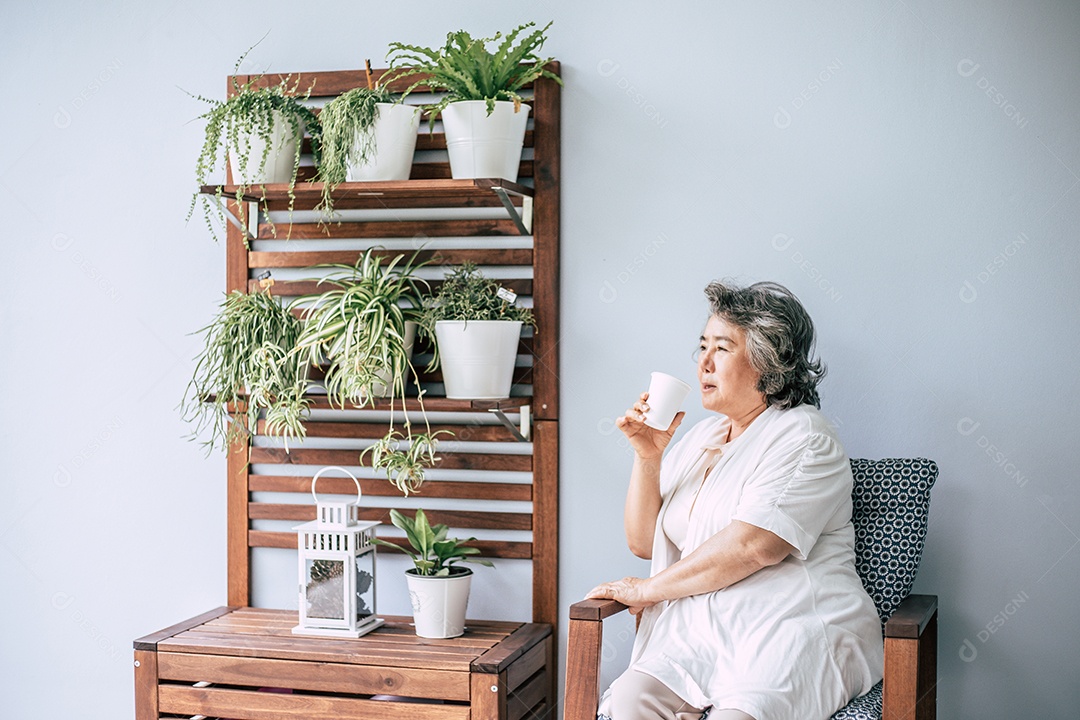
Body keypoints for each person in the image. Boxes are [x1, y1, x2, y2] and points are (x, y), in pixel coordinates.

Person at [587, 280, 883, 720]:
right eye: (702, 345)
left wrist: (647, 591)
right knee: (630, 700)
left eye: (722, 348)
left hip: (789, 627)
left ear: (769, 363)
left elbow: (754, 546)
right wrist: (648, 456)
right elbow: (645, 544)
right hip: (701, 633)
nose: (702, 362)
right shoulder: (703, 437)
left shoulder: (804, 436)